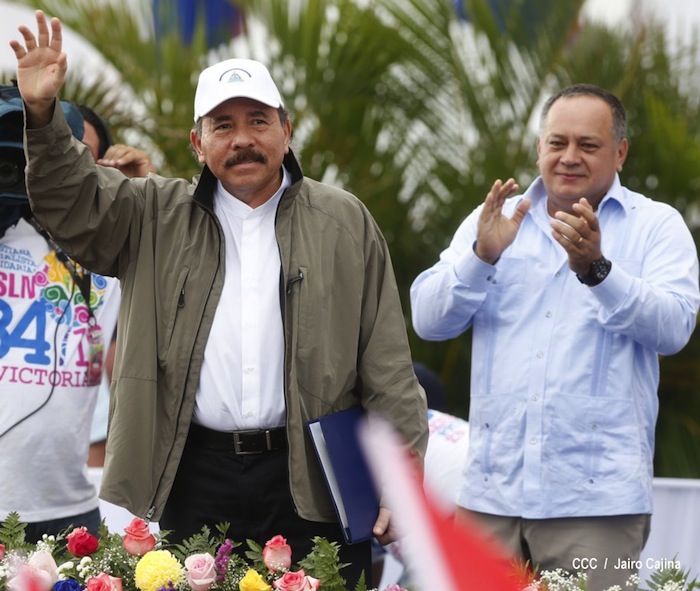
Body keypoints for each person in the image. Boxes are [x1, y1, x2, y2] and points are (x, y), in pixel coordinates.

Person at [11, 11, 428, 588]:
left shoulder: (344, 221)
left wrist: (402, 472)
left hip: (314, 475)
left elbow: (387, 362)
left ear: (286, 130)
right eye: (223, 125)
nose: (242, 140)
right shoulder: (152, 213)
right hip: (194, 472)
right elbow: (72, 201)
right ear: (198, 143)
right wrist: (42, 115)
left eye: (258, 120)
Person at [410, 83, 700, 589]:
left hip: (595, 506)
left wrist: (598, 271)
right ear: (538, 147)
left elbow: (675, 327)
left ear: (620, 152)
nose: (569, 157)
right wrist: (481, 257)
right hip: (489, 499)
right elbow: (428, 320)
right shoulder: (494, 220)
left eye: (588, 145)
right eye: (557, 142)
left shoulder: (656, 226)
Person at [0, 88, 150, 542]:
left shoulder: (115, 244)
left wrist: (142, 195)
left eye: (78, 158)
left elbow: (188, 264)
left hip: (72, 510)